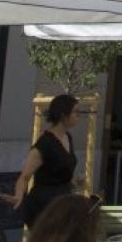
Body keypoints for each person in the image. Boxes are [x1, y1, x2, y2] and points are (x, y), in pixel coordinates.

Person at [6, 94, 80, 231]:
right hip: (45, 206)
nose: (78, 116)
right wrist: (18, 195)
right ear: (64, 115)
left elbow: (65, 169)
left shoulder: (68, 138)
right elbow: (25, 176)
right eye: (75, 112)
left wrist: (75, 186)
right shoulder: (45, 143)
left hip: (63, 204)